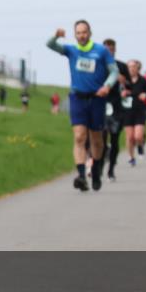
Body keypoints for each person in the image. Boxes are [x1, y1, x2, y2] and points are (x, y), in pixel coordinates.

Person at [47, 20, 118, 192]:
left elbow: (114, 71)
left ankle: (95, 169)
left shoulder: (101, 51)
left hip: (96, 99)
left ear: (90, 33)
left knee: (96, 139)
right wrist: (56, 36)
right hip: (77, 97)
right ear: (75, 34)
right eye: (78, 33)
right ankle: (80, 175)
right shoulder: (72, 50)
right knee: (79, 136)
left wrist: (106, 86)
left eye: (84, 32)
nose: (81, 36)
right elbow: (50, 45)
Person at [100, 38, 129, 182]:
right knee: (102, 139)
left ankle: (111, 169)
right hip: (102, 104)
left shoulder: (122, 66)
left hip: (116, 106)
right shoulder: (99, 64)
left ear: (115, 50)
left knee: (115, 138)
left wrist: (124, 82)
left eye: (111, 49)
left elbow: (130, 85)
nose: (109, 52)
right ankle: (99, 167)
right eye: (106, 49)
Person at [122, 60, 146, 167]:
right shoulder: (124, 81)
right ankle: (131, 157)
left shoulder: (143, 81)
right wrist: (123, 93)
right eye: (130, 67)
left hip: (139, 111)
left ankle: (140, 145)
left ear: (138, 68)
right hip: (127, 111)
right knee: (130, 137)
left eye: (134, 66)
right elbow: (120, 92)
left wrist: (145, 95)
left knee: (138, 136)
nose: (132, 69)